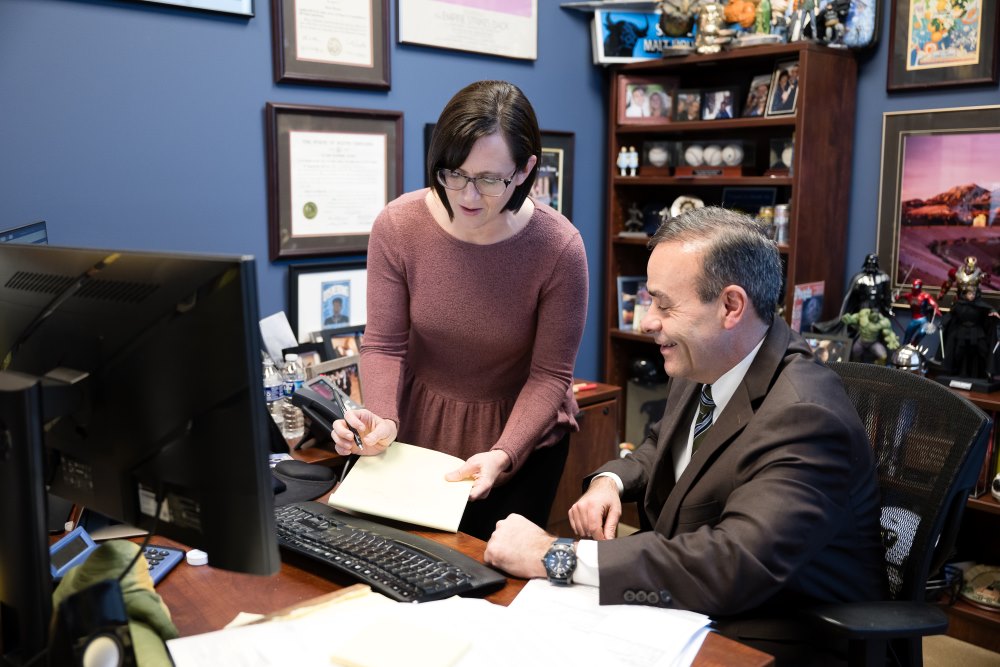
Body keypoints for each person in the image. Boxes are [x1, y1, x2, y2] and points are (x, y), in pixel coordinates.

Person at [483, 207, 884, 664]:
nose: (647, 320)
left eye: (664, 304)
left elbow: (732, 562)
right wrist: (609, 482)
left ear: (731, 306)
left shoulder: (806, 416)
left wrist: (556, 555)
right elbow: (662, 446)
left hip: (774, 633)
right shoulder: (705, 359)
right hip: (688, 607)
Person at [329, 80, 589, 541]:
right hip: (414, 427)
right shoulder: (399, 226)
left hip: (517, 437)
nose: (468, 196)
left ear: (526, 169)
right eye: (455, 173)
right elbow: (385, 344)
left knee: (489, 586)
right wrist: (382, 419)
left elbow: (550, 375)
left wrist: (504, 453)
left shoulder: (558, 248)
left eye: (490, 179)